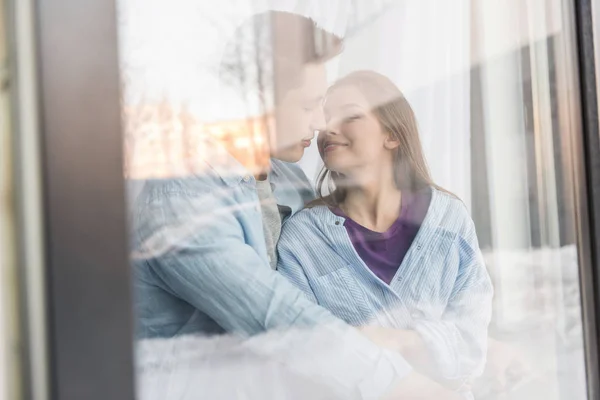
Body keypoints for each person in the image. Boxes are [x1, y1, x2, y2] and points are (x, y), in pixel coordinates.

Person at [129, 11, 462, 400]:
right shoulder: (180, 201)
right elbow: (276, 317)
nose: (322, 122)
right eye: (309, 106)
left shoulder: (287, 181)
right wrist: (402, 383)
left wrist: (436, 348)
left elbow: (334, 288)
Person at [277, 70, 494, 397]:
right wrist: (431, 354)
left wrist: (388, 340)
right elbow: (304, 352)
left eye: (349, 115)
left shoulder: (449, 219)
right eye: (325, 116)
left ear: (392, 135)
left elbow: (471, 343)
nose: (327, 127)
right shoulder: (301, 237)